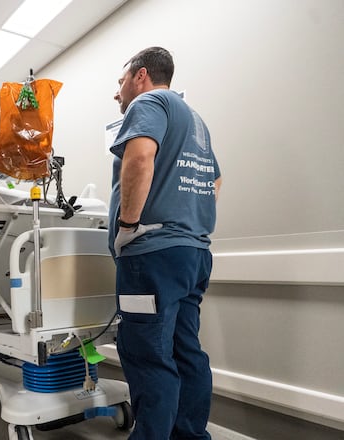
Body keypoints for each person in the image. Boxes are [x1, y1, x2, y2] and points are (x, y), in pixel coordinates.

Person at [108, 47, 222, 439]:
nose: (117, 93)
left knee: (148, 356)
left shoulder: (150, 101)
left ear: (140, 76)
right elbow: (216, 181)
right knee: (186, 353)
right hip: (192, 254)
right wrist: (187, 221)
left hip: (151, 256)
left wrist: (128, 226)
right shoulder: (195, 121)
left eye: (120, 82)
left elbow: (139, 158)